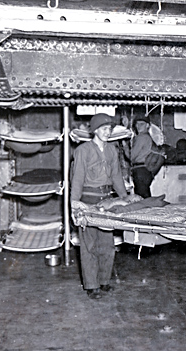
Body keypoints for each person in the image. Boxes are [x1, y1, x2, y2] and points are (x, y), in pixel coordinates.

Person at [71, 113, 130, 299]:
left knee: (107, 244)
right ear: (95, 130)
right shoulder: (83, 150)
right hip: (88, 200)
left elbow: (117, 177)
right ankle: (91, 285)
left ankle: (104, 281)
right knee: (89, 244)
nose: (108, 132)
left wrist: (124, 197)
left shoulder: (112, 150)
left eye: (110, 129)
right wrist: (74, 203)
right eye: (104, 128)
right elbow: (78, 178)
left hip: (107, 201)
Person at [124, 116, 155, 198]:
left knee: (141, 196)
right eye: (137, 124)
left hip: (140, 170)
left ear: (147, 125)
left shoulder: (141, 137)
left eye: (141, 124)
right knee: (145, 195)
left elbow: (131, 156)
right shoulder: (147, 137)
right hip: (145, 169)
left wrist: (124, 146)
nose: (138, 126)